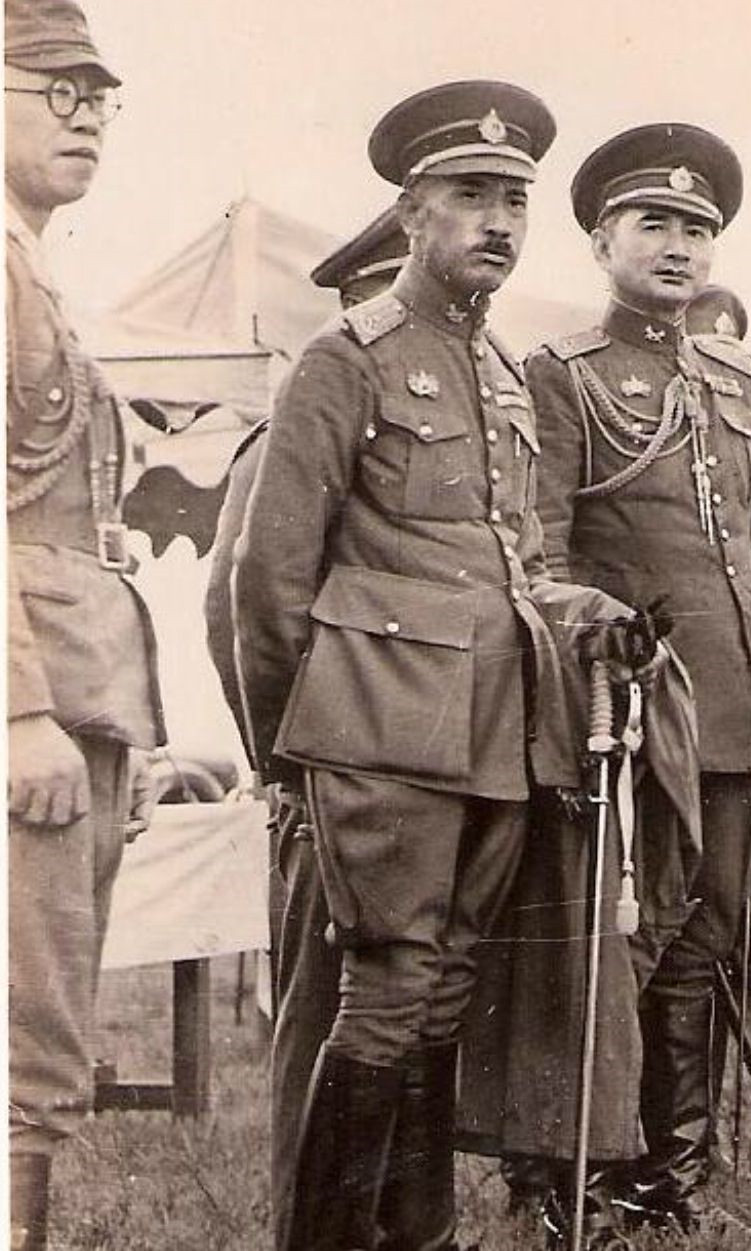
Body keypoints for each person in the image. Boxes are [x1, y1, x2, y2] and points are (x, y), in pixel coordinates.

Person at [232, 80, 641, 1249]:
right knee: (388, 992)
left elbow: (507, 566)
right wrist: (296, 752)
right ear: (411, 213)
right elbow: (269, 580)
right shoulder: (346, 359)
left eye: (515, 201)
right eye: (470, 196)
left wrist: (581, 607)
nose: (498, 222)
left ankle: (418, 1238)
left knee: (446, 989)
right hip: (380, 739)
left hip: (493, 738)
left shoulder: (502, 371)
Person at [519, 122, 751, 1234]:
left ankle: (671, 1178)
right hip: (634, 710)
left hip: (736, 711)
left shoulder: (737, 378)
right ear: (602, 241)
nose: (680, 245)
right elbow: (542, 553)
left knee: (711, 938)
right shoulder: (561, 375)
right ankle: (580, 1173)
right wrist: (582, 676)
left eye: (698, 227)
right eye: (654, 223)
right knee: (624, 944)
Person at [200, 203, 405, 1251]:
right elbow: (236, 603)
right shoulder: (295, 424)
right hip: (326, 771)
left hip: (408, 766)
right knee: (322, 1018)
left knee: (400, 1013)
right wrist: (284, 757)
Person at [6, 5, 161, 1244]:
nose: (88, 119)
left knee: (45, 1036)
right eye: (54, 91)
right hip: (30, 716)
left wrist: (128, 726)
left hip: (75, 703)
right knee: (24, 1043)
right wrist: (18, 712)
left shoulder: (34, 269)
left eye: (100, 98)